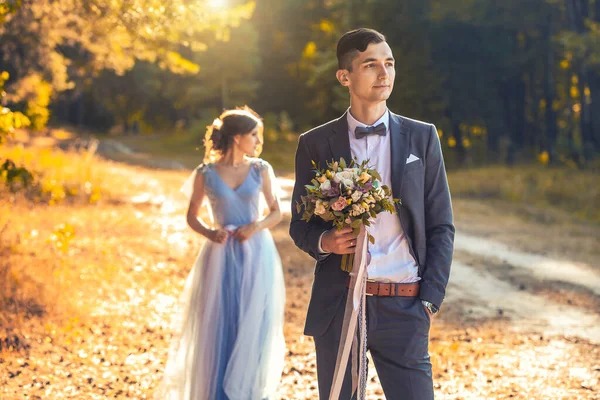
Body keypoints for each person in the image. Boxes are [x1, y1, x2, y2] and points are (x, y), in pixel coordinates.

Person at [290, 28, 455, 399]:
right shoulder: (315, 144)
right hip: (341, 302)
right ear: (344, 76)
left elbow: (441, 224)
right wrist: (325, 241)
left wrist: (430, 298)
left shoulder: (422, 137)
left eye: (389, 63)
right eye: (371, 65)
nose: (384, 74)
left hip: (405, 303)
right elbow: (300, 224)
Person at [159, 107, 286, 400]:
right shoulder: (206, 173)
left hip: (255, 252)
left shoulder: (261, 169)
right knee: (218, 319)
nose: (257, 141)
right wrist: (209, 232)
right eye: (253, 135)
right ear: (238, 137)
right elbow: (192, 216)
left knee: (253, 319)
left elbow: (276, 213)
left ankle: (249, 392)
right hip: (219, 254)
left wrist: (255, 226)